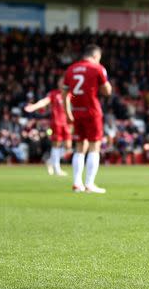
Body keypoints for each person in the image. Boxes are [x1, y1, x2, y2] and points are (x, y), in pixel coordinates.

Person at [64, 45, 112, 194]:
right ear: (96, 56)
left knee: (79, 146)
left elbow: (64, 93)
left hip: (77, 111)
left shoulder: (71, 69)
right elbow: (107, 91)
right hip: (92, 111)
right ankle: (89, 184)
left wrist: (67, 112)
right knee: (94, 147)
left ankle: (77, 184)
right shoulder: (97, 68)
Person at [24, 77, 71, 176]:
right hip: (56, 122)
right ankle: (57, 169)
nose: (62, 83)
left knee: (68, 147)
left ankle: (51, 161)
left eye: (64, 81)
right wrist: (33, 107)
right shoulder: (54, 94)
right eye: (60, 81)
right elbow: (44, 102)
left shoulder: (70, 94)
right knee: (56, 144)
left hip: (67, 122)